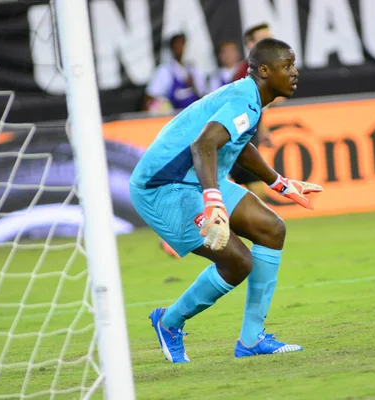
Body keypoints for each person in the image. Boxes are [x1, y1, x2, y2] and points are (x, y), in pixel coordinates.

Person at [129, 38, 323, 363]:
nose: (294, 72)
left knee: (271, 228)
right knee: (238, 262)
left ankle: (251, 340)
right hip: (165, 187)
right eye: (286, 66)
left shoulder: (249, 98)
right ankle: (169, 322)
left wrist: (279, 183)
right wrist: (213, 202)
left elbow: (239, 143)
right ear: (264, 71)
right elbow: (203, 145)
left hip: (199, 178)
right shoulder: (244, 100)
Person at [229, 23, 284, 201]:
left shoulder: (264, 70)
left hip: (248, 136)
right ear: (252, 45)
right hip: (234, 138)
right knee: (244, 189)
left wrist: (262, 128)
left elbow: (256, 106)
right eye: (264, 39)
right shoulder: (244, 73)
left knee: (256, 190)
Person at [143, 33, 207, 113]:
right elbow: (149, 97)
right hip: (173, 119)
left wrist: (193, 86)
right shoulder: (164, 70)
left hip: (193, 116)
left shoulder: (193, 70)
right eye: (176, 45)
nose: (179, 48)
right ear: (171, 48)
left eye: (181, 44)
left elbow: (203, 97)